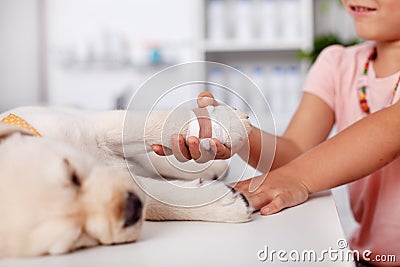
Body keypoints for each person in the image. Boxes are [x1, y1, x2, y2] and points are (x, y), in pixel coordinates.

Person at [152, 1, 400, 266]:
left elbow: (391, 125)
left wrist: (296, 178)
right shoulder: (338, 64)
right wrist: (237, 130)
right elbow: (296, 153)